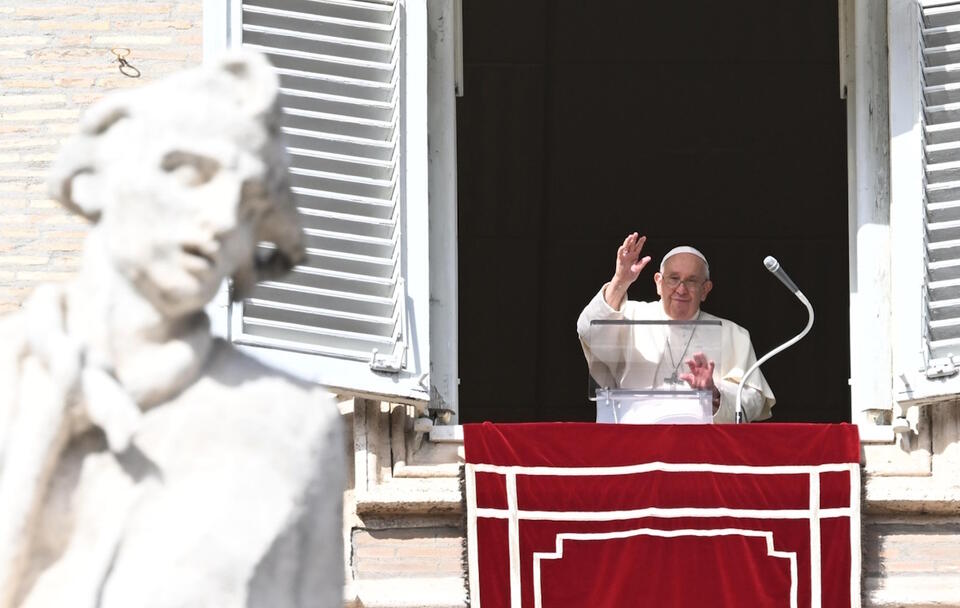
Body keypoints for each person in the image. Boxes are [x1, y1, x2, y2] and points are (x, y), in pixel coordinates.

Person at [577, 233, 775, 423]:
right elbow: (589, 331)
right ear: (658, 282)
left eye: (691, 281)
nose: (681, 289)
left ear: (705, 290)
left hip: (702, 449)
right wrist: (620, 281)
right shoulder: (629, 316)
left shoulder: (733, 334)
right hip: (637, 443)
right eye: (673, 278)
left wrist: (715, 394)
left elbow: (753, 400)